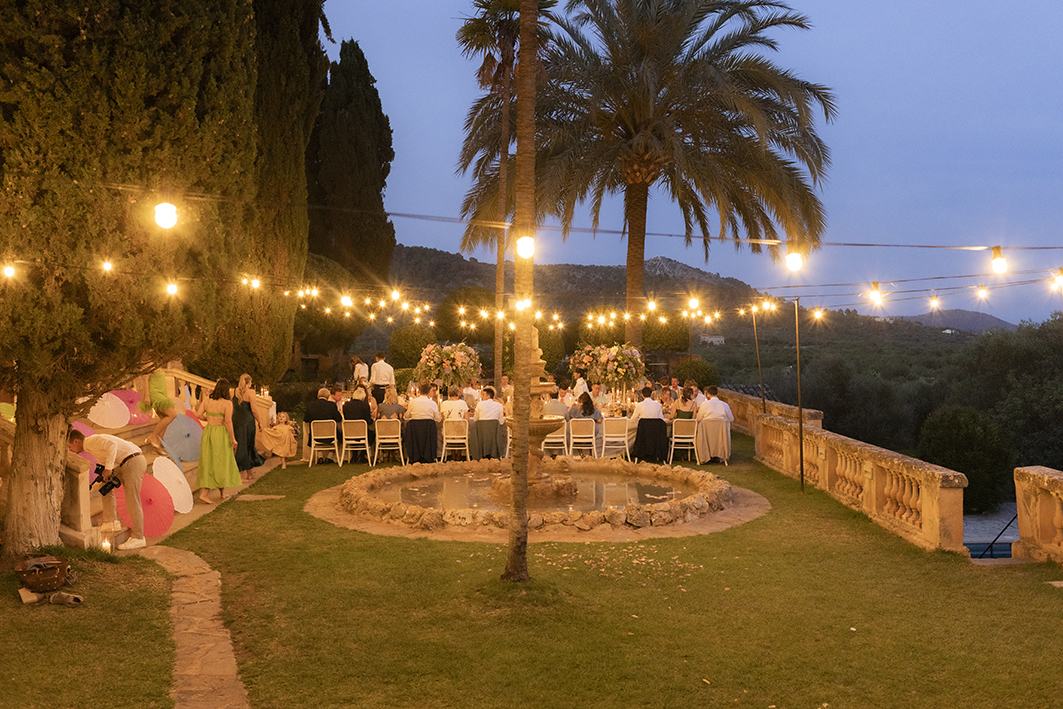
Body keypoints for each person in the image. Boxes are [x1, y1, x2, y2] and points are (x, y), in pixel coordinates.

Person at [68, 429, 148, 550]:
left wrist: (109, 468)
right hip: (123, 463)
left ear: (76, 441)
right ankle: (111, 521)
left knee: (132, 499)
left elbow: (112, 445)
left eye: (70, 446)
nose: (70, 450)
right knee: (104, 487)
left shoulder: (90, 441)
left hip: (132, 462)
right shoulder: (91, 448)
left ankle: (138, 537)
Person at [194, 378, 242, 504]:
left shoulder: (207, 400)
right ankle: (204, 494)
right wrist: (233, 438)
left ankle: (222, 492)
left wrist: (209, 418)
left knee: (210, 460)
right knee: (220, 462)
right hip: (220, 433)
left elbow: (198, 415)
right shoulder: (227, 403)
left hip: (209, 431)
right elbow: (227, 421)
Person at [232, 373, 264, 478]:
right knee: (248, 446)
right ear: (249, 382)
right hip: (247, 421)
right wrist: (259, 422)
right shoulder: (251, 392)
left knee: (241, 445)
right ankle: (241, 473)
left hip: (236, 421)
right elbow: (254, 410)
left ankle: (249, 472)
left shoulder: (233, 392)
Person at [139, 368, 177, 454]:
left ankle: (157, 446)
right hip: (154, 394)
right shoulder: (149, 364)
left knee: (164, 418)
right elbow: (145, 380)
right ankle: (153, 436)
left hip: (161, 393)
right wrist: (147, 396)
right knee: (172, 414)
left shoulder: (158, 365)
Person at [404, 381, 441, 463]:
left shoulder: (413, 402)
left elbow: (407, 416)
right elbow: (438, 419)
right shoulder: (432, 403)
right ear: (429, 392)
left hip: (415, 428)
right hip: (428, 428)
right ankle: (429, 455)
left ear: (419, 391)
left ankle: (415, 455)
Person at [304, 387, 344, 463]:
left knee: (317, 435)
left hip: (315, 436)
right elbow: (339, 418)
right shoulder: (331, 405)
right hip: (331, 436)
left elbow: (305, 419)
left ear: (318, 396)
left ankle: (320, 456)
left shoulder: (311, 405)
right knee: (341, 435)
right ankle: (329, 456)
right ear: (328, 396)